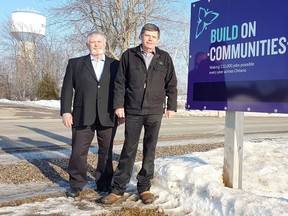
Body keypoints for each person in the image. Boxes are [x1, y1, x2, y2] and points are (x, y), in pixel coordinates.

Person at [100, 23, 178, 204]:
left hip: (155, 111)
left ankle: (144, 188)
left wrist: (171, 106)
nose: (150, 39)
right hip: (133, 110)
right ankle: (118, 189)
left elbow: (171, 84)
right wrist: (118, 105)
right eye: (147, 35)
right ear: (141, 36)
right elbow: (119, 83)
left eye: (154, 37)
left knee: (150, 149)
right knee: (129, 149)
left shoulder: (164, 58)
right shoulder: (129, 55)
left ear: (157, 39)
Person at [60, 31, 119, 197]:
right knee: (78, 151)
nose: (96, 45)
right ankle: (77, 183)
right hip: (82, 114)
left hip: (107, 114)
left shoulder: (115, 65)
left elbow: (121, 89)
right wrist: (66, 111)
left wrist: (121, 109)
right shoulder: (75, 64)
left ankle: (105, 183)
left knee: (106, 151)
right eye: (93, 42)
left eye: (99, 42)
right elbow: (66, 90)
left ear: (105, 44)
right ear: (87, 45)